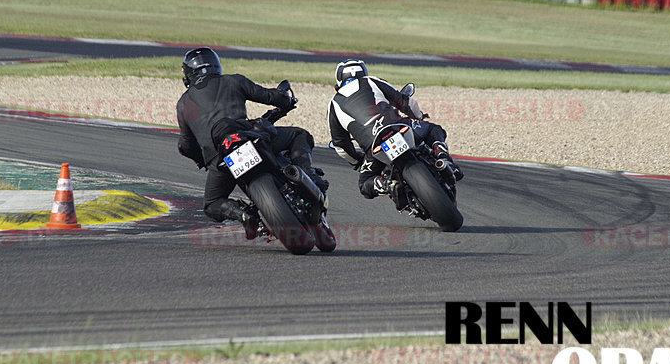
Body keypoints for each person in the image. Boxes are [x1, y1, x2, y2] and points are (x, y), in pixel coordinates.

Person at [176, 47, 328, 239]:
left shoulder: (183, 104)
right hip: (248, 137)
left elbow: (185, 145)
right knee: (300, 135)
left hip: (220, 159)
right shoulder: (233, 80)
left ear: (189, 74)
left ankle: (244, 215)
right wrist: (286, 99)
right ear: (216, 65)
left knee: (212, 203)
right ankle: (305, 176)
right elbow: (271, 96)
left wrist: (205, 160)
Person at [327, 59, 462, 201]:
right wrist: (419, 117)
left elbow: (341, 144)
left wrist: (357, 162)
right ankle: (443, 157)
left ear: (339, 79)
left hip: (374, 145)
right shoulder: (372, 81)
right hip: (399, 127)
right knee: (433, 130)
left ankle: (385, 184)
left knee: (364, 184)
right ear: (364, 72)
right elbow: (406, 102)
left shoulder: (333, 104)